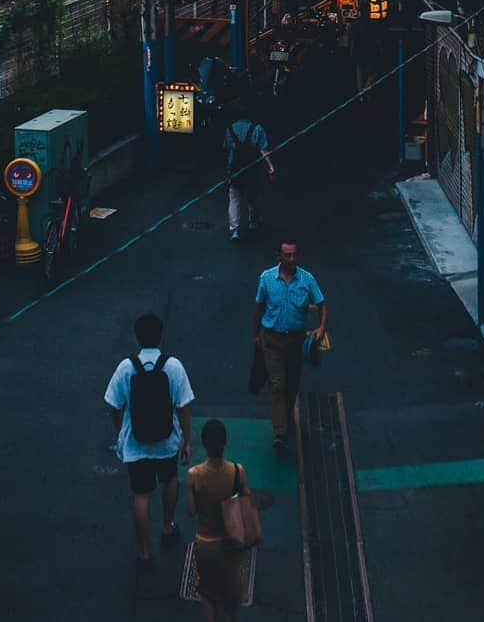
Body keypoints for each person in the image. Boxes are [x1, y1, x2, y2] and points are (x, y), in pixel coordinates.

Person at [104, 313, 195, 571]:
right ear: (161, 336)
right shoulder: (174, 366)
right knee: (170, 481)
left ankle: (144, 551)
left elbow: (114, 405)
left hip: (136, 444)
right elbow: (184, 407)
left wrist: (121, 433)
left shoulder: (126, 367)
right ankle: (167, 526)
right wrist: (186, 441)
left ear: (137, 337)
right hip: (167, 441)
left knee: (141, 495)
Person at [253, 242, 328, 450]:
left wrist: (321, 327)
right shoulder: (266, 279)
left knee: (292, 385)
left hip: (296, 341)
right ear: (279, 256)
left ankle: (285, 418)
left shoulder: (307, 279)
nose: (292, 259)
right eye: (288, 255)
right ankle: (280, 433)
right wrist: (255, 335)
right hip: (273, 340)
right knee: (277, 385)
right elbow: (259, 307)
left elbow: (322, 304)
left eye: (294, 255)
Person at [186, 419, 249, 622]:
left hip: (206, 542)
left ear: (204, 444)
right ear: (225, 442)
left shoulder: (194, 475)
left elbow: (191, 510)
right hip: (231, 542)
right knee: (230, 591)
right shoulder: (238, 471)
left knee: (207, 591)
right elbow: (246, 503)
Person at [223, 113, 275, 242]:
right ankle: (253, 221)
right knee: (253, 195)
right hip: (252, 169)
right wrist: (270, 166)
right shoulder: (257, 128)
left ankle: (234, 230)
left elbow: (227, 147)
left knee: (234, 198)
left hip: (234, 169)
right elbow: (263, 149)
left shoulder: (230, 128)